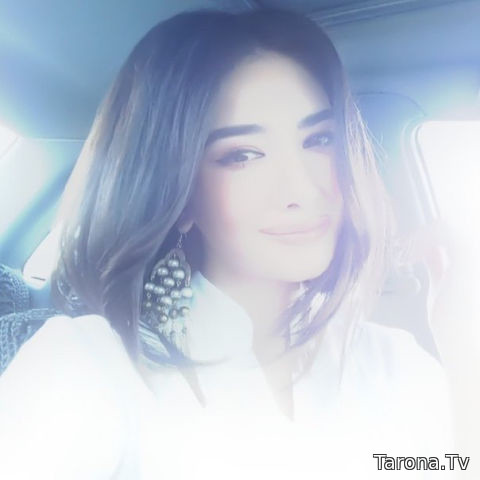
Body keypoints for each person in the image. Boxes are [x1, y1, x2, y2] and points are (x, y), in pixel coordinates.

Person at [0, 7, 455, 480]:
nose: (304, 189)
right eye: (243, 155)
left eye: (319, 139)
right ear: (179, 195)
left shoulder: (394, 362)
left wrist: (465, 350)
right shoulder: (89, 365)